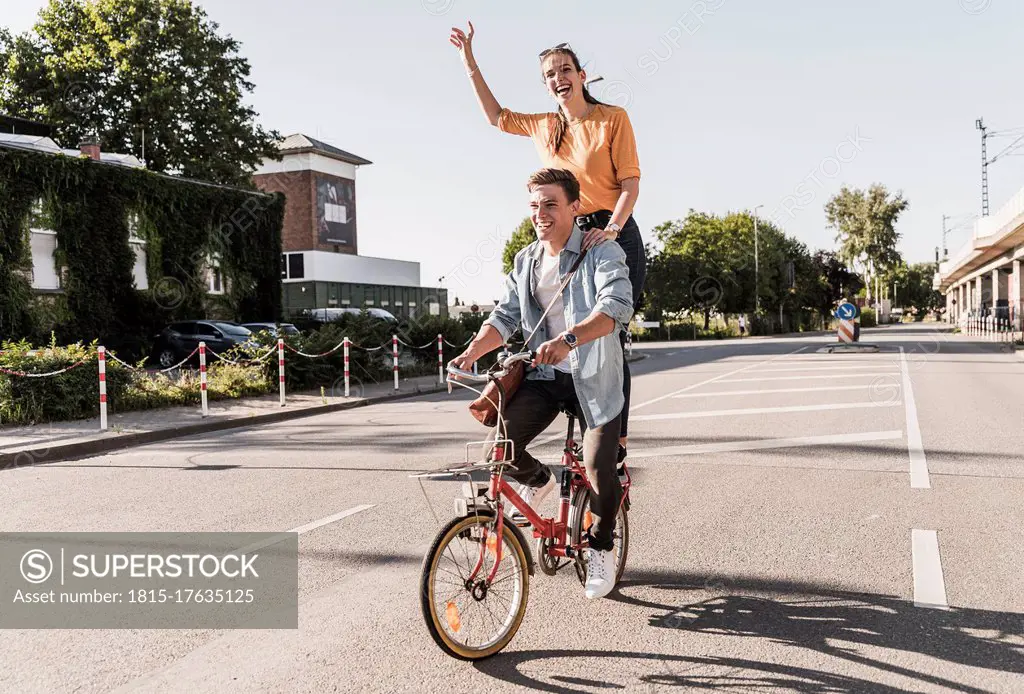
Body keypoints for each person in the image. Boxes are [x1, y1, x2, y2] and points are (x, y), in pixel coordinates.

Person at [450, 22, 646, 465]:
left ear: (581, 75)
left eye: (565, 69)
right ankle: (551, 393)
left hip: (612, 228)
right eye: (549, 74)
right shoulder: (544, 127)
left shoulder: (611, 119)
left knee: (611, 334)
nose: (558, 78)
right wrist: (470, 62)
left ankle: (617, 441)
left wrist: (610, 230)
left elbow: (630, 186)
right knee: (540, 309)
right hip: (562, 223)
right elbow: (495, 116)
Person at [450, 168, 634, 599]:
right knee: (501, 449)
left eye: (550, 204)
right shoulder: (527, 259)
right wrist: (471, 352)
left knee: (596, 470)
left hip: (593, 378)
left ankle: (602, 546)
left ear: (575, 207)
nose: (541, 214)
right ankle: (539, 480)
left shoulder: (601, 252)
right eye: (534, 205)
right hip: (546, 376)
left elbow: (616, 308)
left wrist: (570, 339)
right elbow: (505, 316)